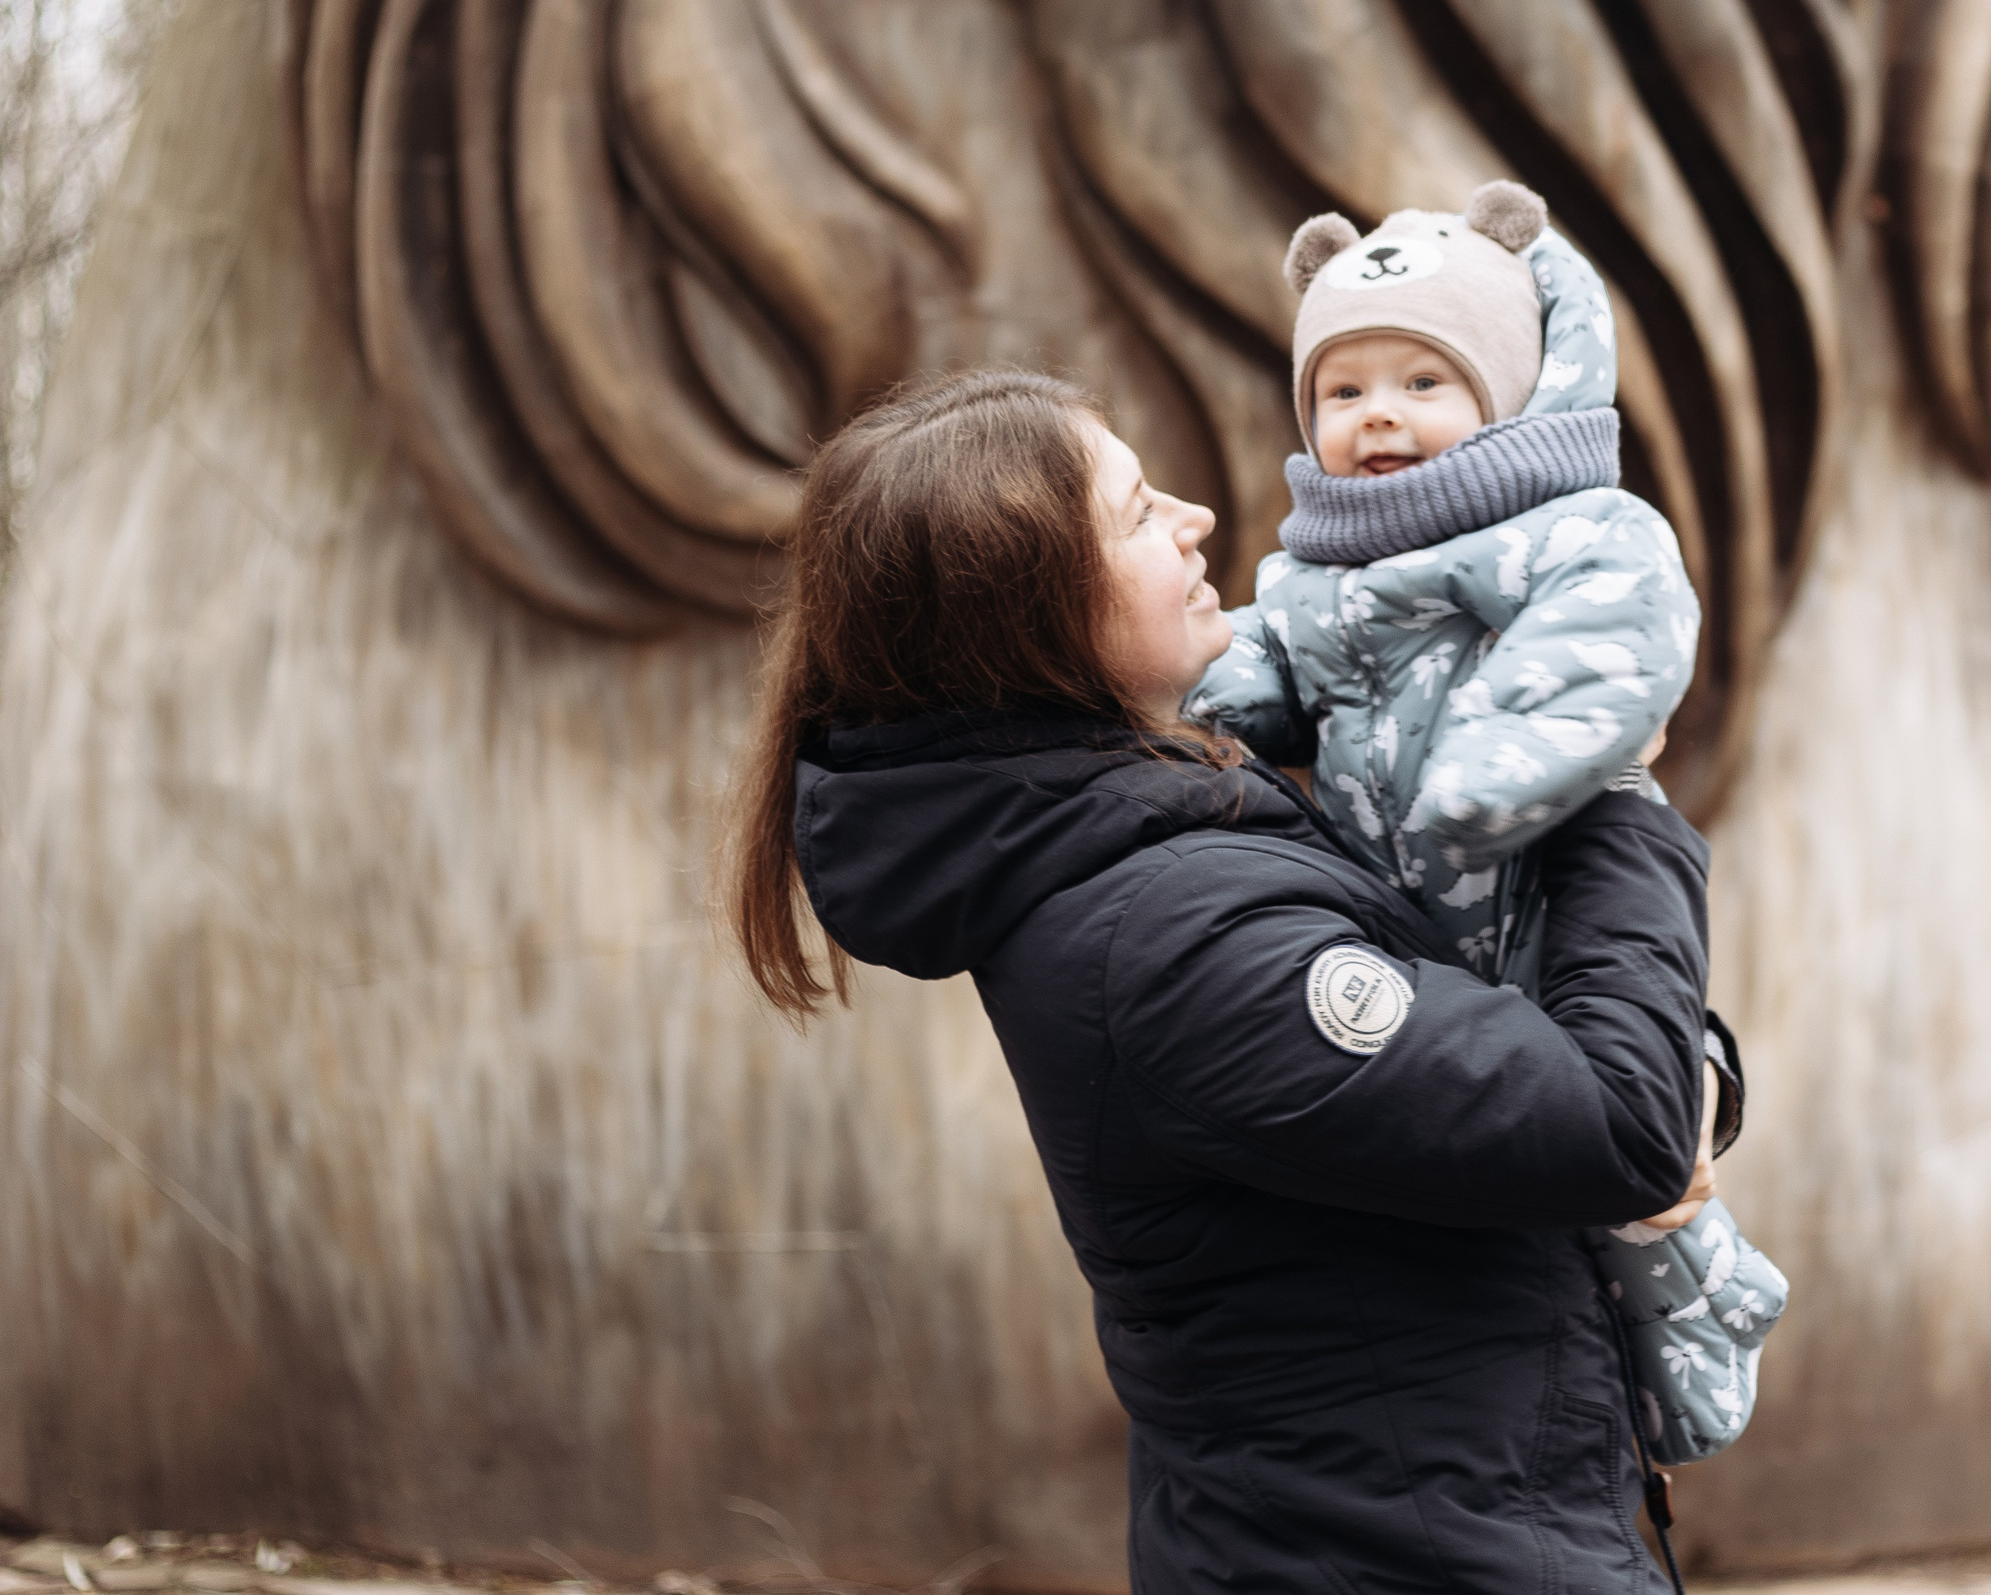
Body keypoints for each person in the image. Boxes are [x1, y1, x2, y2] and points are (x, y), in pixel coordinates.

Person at [727, 368, 1740, 1591]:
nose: (1196, 519)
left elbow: (1558, 1079)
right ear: (1033, 617)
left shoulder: (1175, 830)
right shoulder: (1176, 940)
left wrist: (1691, 1077)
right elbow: (1615, 1127)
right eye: (1137, 510)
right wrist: (1611, 789)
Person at [1185, 183, 1786, 1470]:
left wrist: (1491, 774)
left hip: (1538, 884)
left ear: (1510, 394)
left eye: (1421, 380)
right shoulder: (1313, 577)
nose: (1378, 415)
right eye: (1342, 393)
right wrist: (1189, 699)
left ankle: (1710, 1322)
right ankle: (1626, 1383)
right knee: (1528, 1185)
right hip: (1407, 940)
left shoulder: (1577, 528)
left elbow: (1614, 648)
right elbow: (1252, 670)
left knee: (1642, 1184)